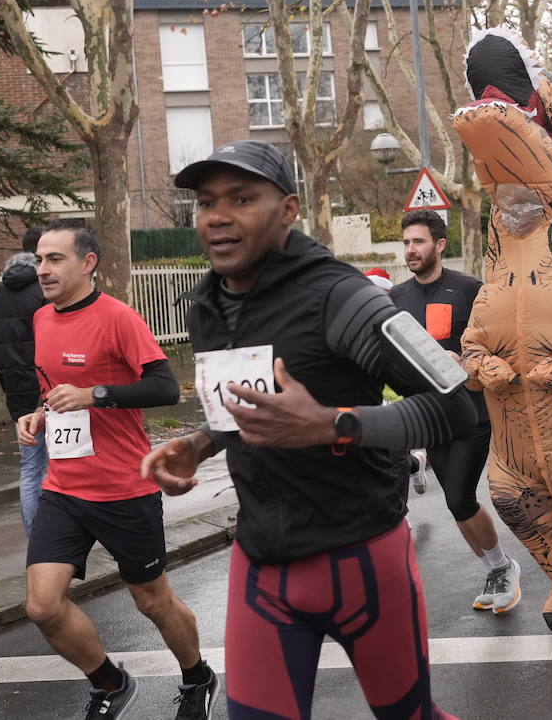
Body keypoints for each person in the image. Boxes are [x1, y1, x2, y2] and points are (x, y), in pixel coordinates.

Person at [141, 141, 475, 719]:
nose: (218, 216)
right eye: (205, 202)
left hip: (363, 561)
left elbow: (455, 409)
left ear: (289, 209)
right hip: (263, 564)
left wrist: (332, 424)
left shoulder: (342, 298)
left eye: (242, 198)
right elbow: (252, 403)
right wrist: (200, 443)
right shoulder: (207, 307)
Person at [17, 220, 215, 720]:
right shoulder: (40, 320)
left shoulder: (118, 318)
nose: (43, 269)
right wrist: (41, 414)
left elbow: (167, 387)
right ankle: (109, 682)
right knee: (42, 606)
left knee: (152, 602)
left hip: (124, 487)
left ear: (88, 263)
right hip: (63, 487)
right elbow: (57, 386)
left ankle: (197, 676)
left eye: (54, 259)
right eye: (39, 259)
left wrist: (96, 394)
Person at [391, 209, 520, 613]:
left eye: (419, 242)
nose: (411, 250)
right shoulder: (396, 298)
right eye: (408, 242)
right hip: (430, 417)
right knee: (453, 500)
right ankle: (495, 567)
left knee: (461, 496)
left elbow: (499, 343)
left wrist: (464, 359)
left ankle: (503, 567)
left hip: (471, 412)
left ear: (440, 245)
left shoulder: (469, 290)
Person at [0, 225, 49, 535]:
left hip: (14, 389)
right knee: (53, 464)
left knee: (30, 466)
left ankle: (35, 535)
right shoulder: (45, 290)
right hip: (45, 386)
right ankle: (53, 537)